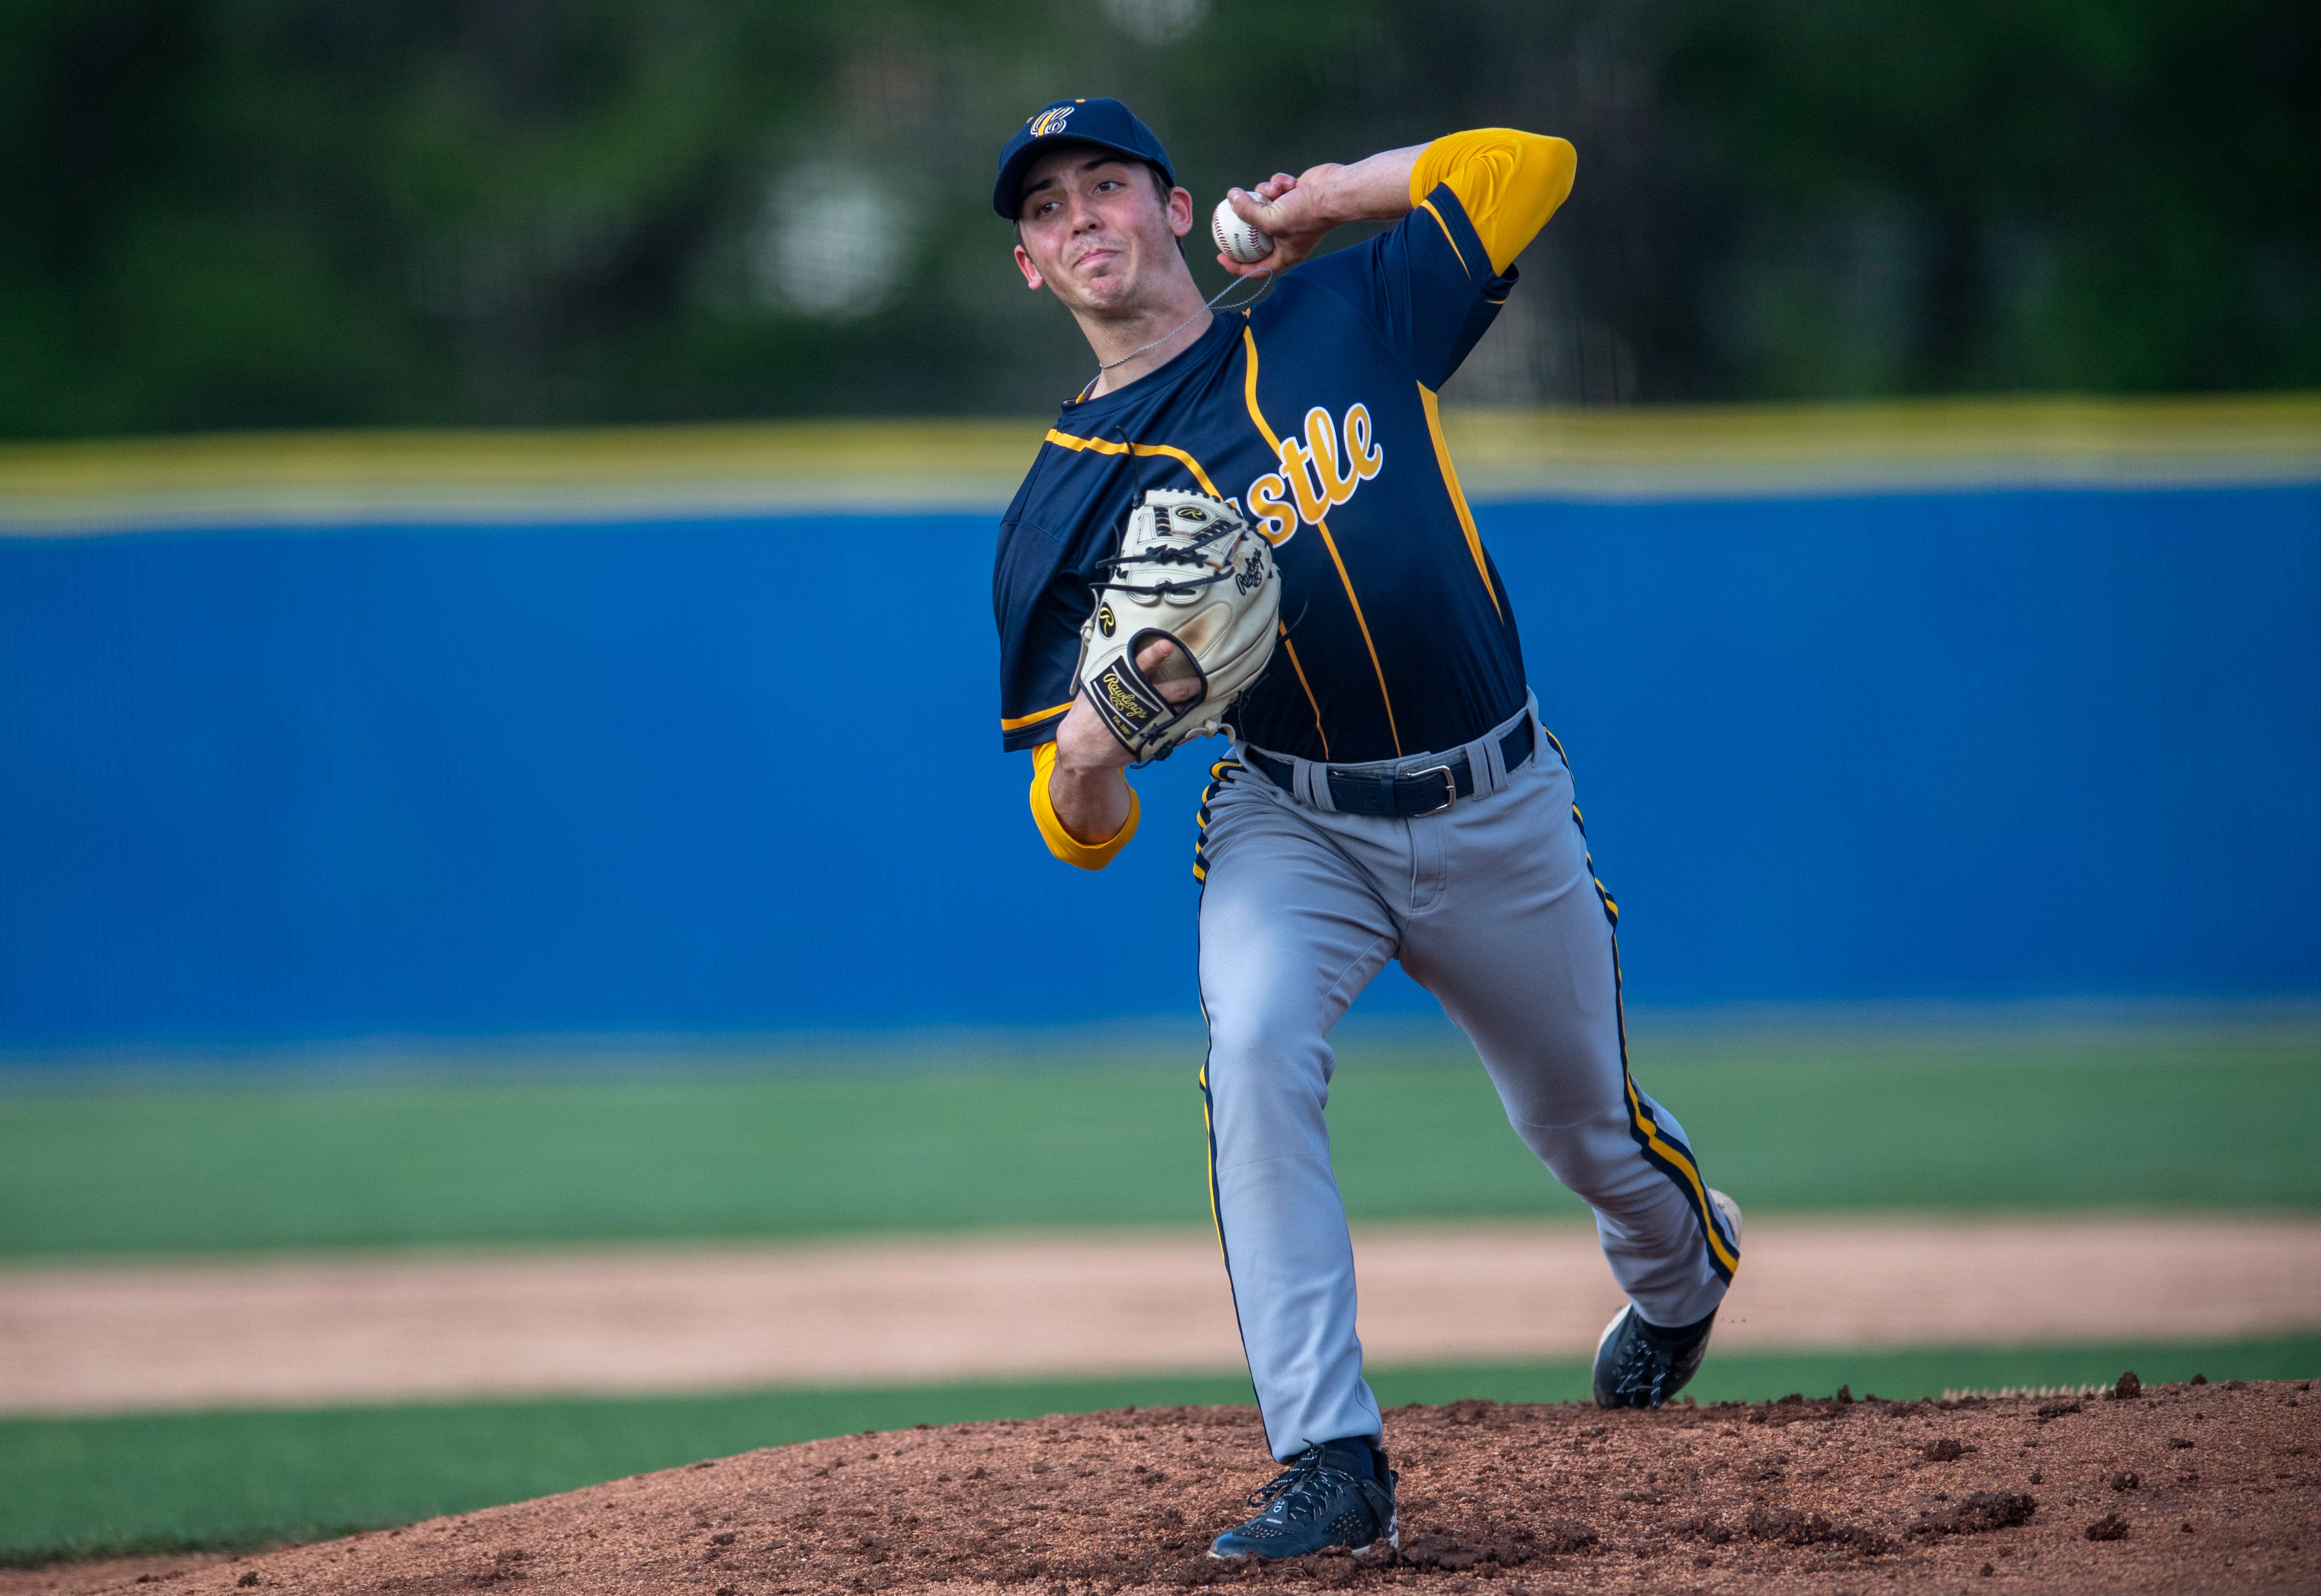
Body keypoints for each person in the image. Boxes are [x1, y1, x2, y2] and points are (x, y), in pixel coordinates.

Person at [989, 97, 1742, 1562]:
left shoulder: (1346, 305)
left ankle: (1677, 1277)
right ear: (1030, 264)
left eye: (1105, 186)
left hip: (1498, 796)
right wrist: (1096, 745)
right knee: (1257, 1045)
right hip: (1292, 818)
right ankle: (1331, 1458)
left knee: (1583, 1125)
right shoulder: (1058, 512)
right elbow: (1073, 825)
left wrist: (1338, 196)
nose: (1080, 217)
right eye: (1045, 209)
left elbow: (1529, 169)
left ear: (1170, 204)